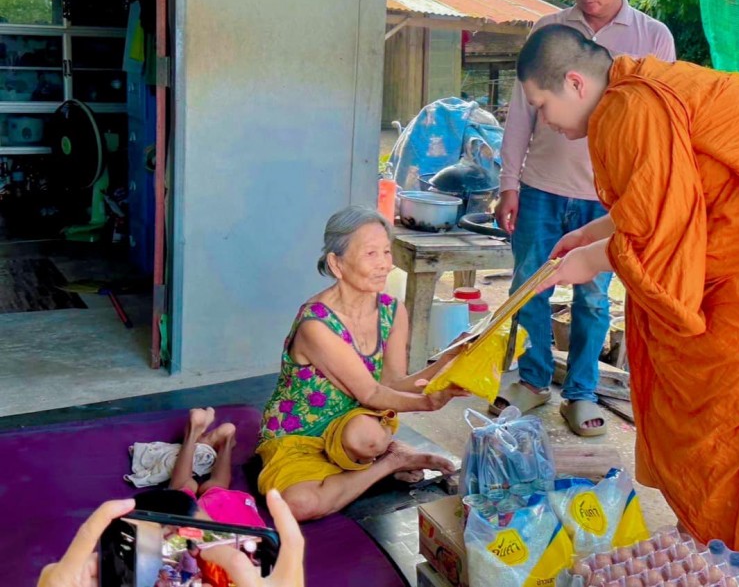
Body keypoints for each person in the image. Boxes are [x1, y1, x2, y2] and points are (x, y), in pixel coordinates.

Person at [518, 25, 739, 587]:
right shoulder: (635, 92)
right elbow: (668, 191)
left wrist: (588, 261)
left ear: (576, 83)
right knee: (711, 405)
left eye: (542, 105)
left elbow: (657, 230)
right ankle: (714, 549)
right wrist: (590, 235)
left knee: (736, 412)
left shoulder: (627, 109)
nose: (545, 122)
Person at [493, 0, 675, 437]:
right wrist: (509, 184)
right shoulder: (549, 31)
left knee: (593, 297)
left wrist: (638, 196)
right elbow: (521, 113)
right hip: (541, 186)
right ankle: (532, 380)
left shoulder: (652, 38)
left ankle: (581, 391)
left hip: (608, 195)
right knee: (529, 285)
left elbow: (659, 126)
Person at [256, 206, 466, 521]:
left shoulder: (392, 310)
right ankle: (390, 462)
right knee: (299, 505)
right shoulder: (316, 324)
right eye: (371, 253)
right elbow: (371, 393)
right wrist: (428, 402)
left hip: (354, 425)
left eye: (386, 251)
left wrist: (447, 359)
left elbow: (392, 383)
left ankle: (372, 459)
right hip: (301, 435)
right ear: (336, 264)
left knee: (366, 437)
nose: (385, 264)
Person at [37, 488, 305, 587]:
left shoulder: (232, 555)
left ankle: (207, 440)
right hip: (204, 505)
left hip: (218, 504)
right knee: (194, 486)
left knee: (204, 487)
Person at [168, 407, 265, 528]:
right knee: (214, 492)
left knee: (189, 492)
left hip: (245, 530)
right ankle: (219, 439)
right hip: (240, 529)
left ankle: (204, 434)